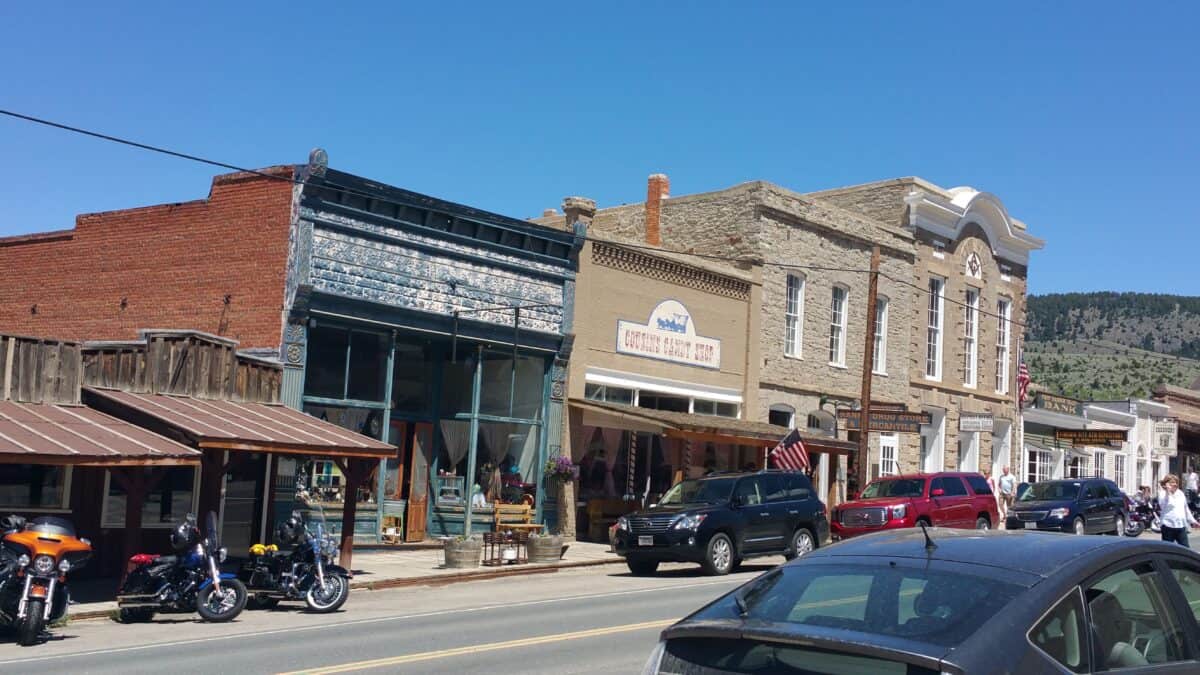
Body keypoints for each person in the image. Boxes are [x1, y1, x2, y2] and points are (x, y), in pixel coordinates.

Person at [1158, 474, 1198, 547]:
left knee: (1185, 548)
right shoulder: (1162, 494)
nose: (1174, 484)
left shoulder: (1180, 493)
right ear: (1166, 484)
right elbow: (1168, 504)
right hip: (1168, 525)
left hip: (1180, 525)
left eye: (1176, 482)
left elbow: (1185, 509)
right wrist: (1168, 492)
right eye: (1172, 482)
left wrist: (1193, 521)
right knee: (1168, 549)